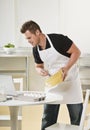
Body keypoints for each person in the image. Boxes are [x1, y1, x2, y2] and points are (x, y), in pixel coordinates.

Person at [20, 20, 83, 130]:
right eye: (27, 39)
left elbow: (76, 52)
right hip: (54, 85)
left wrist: (66, 68)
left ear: (37, 32)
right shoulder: (35, 49)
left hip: (71, 83)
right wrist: (40, 71)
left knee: (77, 119)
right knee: (47, 119)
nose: (28, 41)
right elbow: (38, 66)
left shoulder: (58, 39)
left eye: (29, 38)